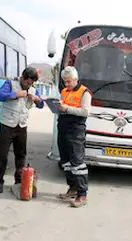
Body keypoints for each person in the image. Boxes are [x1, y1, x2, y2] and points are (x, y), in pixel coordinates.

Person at [0, 67, 44, 193]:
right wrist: (16, 95)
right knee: (2, 154)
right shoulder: (10, 84)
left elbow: (41, 104)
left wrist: (37, 99)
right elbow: (0, 96)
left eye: (31, 83)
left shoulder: (33, 89)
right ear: (22, 77)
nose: (29, 85)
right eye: (27, 82)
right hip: (7, 124)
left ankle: (19, 180)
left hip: (22, 125)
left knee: (20, 155)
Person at [57, 66, 92, 208]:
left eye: (69, 81)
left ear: (76, 79)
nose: (66, 84)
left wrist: (66, 109)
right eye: (65, 82)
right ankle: (72, 188)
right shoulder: (64, 91)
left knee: (78, 163)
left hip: (76, 131)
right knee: (66, 162)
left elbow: (85, 111)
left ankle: (82, 195)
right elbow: (63, 106)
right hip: (63, 128)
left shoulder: (85, 92)